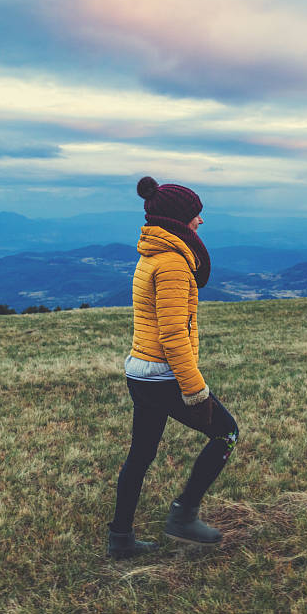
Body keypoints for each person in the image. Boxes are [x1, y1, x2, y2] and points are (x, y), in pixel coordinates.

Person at [106, 176, 240, 559]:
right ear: (181, 220)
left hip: (141, 372)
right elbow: (173, 336)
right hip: (163, 376)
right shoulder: (173, 264)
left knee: (141, 454)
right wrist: (195, 391)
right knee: (226, 433)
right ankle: (184, 515)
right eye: (196, 215)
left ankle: (121, 538)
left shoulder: (151, 255)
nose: (201, 222)